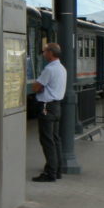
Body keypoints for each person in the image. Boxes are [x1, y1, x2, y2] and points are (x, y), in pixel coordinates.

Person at [32, 42, 67, 182]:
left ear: (51, 53)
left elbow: (36, 87)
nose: (43, 53)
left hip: (46, 106)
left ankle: (50, 173)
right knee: (55, 139)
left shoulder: (49, 69)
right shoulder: (61, 68)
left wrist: (39, 87)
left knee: (47, 140)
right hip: (56, 106)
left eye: (45, 51)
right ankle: (57, 170)